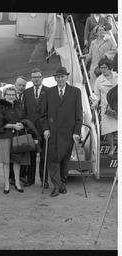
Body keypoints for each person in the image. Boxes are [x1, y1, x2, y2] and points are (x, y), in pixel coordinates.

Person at [40, 67, 83, 197]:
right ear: (55, 78)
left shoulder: (76, 92)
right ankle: (57, 186)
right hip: (52, 133)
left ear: (66, 77)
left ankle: (62, 183)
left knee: (65, 161)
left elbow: (79, 115)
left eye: (62, 77)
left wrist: (76, 132)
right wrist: (46, 129)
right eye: (57, 77)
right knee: (53, 160)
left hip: (68, 134)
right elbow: (44, 115)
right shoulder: (49, 92)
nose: (59, 79)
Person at [0, 85, 29, 194]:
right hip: (5, 137)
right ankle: (6, 184)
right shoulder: (0, 106)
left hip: (17, 137)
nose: (11, 97)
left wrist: (22, 124)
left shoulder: (19, 105)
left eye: (13, 95)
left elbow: (24, 118)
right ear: (4, 96)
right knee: (6, 161)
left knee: (17, 160)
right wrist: (13, 126)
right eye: (8, 95)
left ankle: (17, 182)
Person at [22, 68, 49, 188]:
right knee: (31, 156)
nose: (36, 79)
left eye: (38, 76)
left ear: (42, 77)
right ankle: (30, 179)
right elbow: (24, 111)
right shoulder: (26, 93)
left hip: (44, 128)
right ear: (31, 78)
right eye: (34, 77)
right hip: (31, 128)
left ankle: (44, 180)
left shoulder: (48, 91)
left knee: (44, 156)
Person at [90, 58, 118, 157]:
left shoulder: (117, 76)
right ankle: (111, 148)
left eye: (105, 67)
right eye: (101, 68)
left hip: (118, 106)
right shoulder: (98, 80)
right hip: (106, 108)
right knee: (109, 130)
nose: (102, 70)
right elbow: (96, 94)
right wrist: (94, 102)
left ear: (110, 67)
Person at [81, 25, 117, 91]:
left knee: (106, 86)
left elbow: (114, 50)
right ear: (96, 33)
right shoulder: (93, 43)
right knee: (95, 87)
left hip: (105, 66)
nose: (102, 31)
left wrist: (106, 55)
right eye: (100, 30)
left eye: (103, 30)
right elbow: (90, 54)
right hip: (94, 67)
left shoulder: (109, 41)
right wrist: (85, 57)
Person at [9, 75, 28, 185]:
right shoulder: (10, 96)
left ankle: (22, 175)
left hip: (23, 129)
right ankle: (12, 176)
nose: (21, 87)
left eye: (23, 85)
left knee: (24, 153)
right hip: (12, 130)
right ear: (15, 85)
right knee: (12, 154)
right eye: (19, 85)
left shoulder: (27, 96)